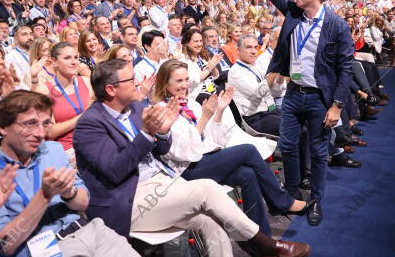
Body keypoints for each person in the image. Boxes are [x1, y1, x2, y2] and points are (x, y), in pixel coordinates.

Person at [72, 59, 311, 257]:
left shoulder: (135, 108)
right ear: (111, 89)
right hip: (130, 201)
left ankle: (263, 244)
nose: (138, 83)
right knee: (207, 189)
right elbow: (115, 170)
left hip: (163, 182)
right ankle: (267, 246)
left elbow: (164, 149)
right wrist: (148, 134)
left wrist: (163, 132)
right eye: (130, 80)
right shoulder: (90, 125)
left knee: (211, 222)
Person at [240, 0, 354, 226]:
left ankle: (315, 199)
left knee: (317, 152)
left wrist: (337, 105)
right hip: (293, 95)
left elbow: (345, 69)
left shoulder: (337, 25)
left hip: (320, 99)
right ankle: (290, 194)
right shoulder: (292, 12)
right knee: (288, 146)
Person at [152, 60, 308, 237]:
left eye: (187, 79)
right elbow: (183, 153)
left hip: (204, 159)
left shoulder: (191, 104)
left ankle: (260, 239)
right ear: (165, 83)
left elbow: (212, 141)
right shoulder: (160, 110)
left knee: (247, 175)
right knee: (248, 150)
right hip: (185, 170)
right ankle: (282, 202)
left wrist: (218, 112)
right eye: (179, 81)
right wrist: (204, 118)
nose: (185, 85)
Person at [0, 90, 140, 257]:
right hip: (44, 250)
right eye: (30, 124)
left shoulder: (52, 150)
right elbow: (4, 247)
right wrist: (44, 196)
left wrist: (69, 193)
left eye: (46, 124)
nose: (41, 134)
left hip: (90, 231)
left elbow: (83, 203)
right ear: (3, 127)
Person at [34, 42, 94, 166]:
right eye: (67, 58)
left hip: (93, 142)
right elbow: (50, 131)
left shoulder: (87, 82)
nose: (74, 62)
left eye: (76, 57)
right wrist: (84, 115)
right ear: (54, 62)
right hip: (67, 152)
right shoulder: (44, 90)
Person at [228, 34, 282, 135]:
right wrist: (275, 67)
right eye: (248, 47)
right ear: (238, 50)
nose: (253, 52)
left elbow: (275, 88)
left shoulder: (255, 66)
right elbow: (259, 92)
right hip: (254, 119)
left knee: (302, 120)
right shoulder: (235, 71)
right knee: (295, 129)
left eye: (255, 47)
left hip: (270, 110)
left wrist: (280, 72)